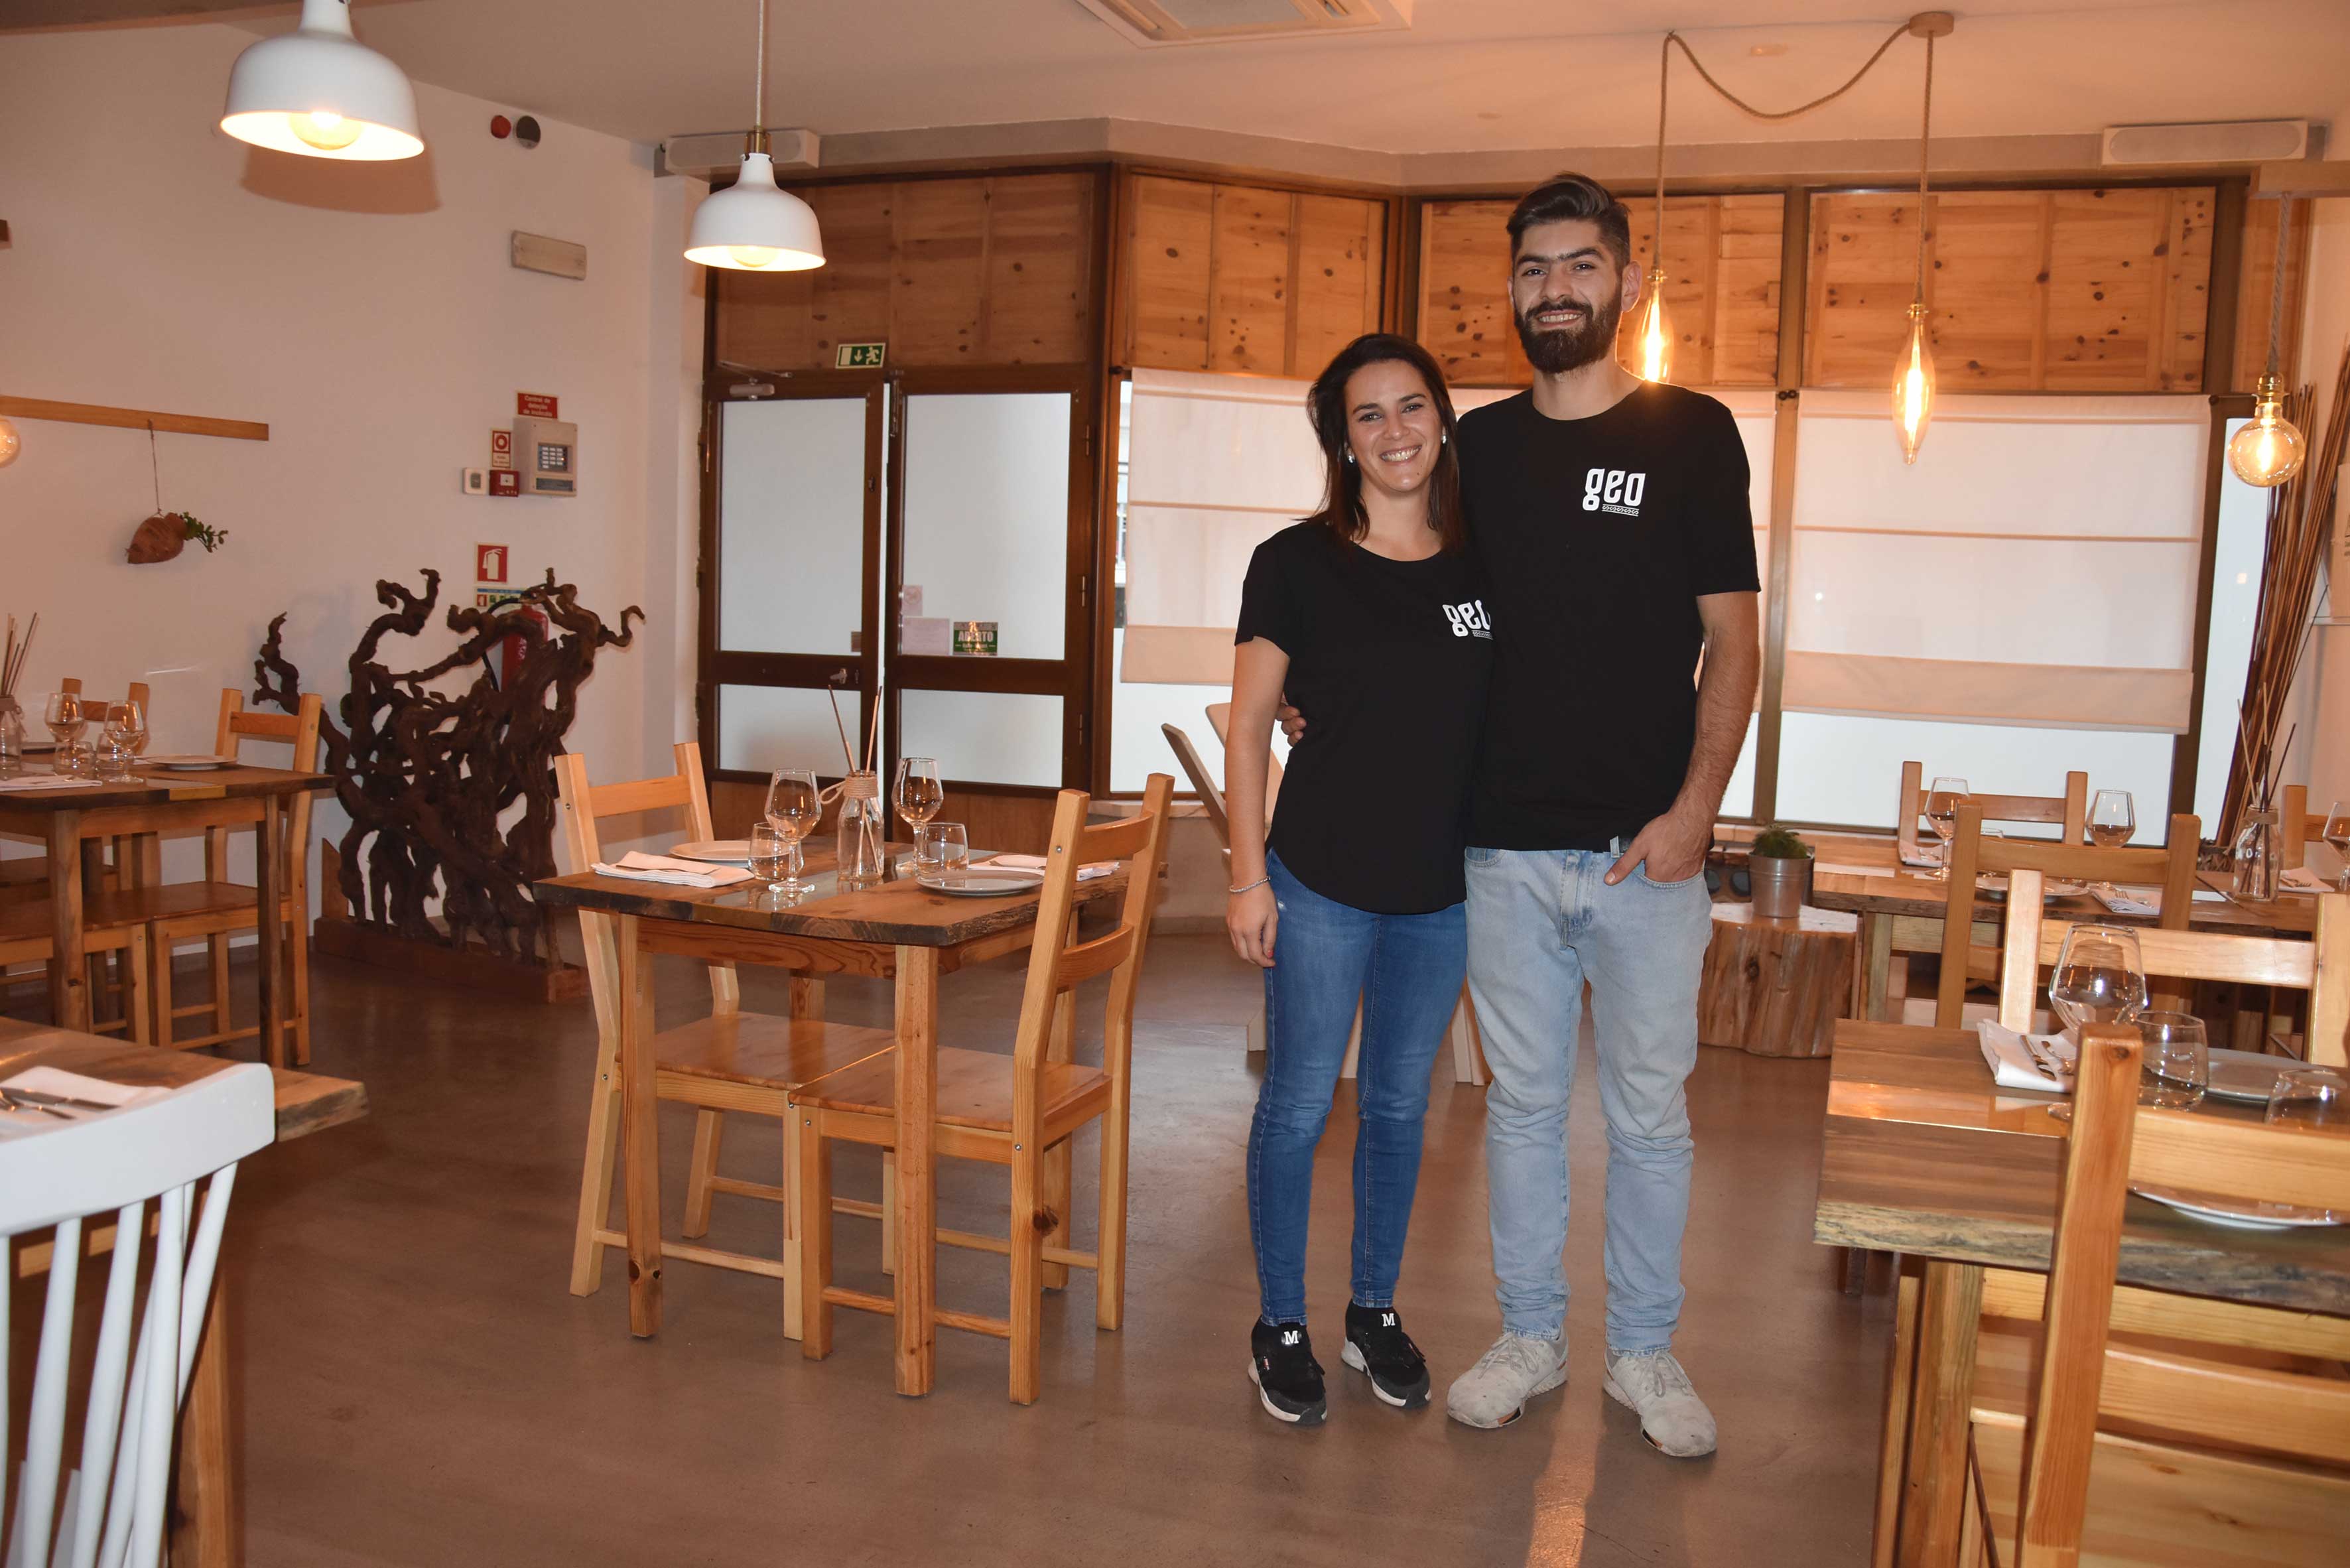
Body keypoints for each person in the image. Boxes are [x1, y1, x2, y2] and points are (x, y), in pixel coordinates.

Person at [1283, 176, 1760, 1455]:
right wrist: (1309, 692)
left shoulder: (1695, 433)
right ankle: (1535, 1333)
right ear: (1512, 291)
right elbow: (1385, 578)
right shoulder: (1475, 450)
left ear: (1627, 282)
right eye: (1536, 269)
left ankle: (1647, 1355)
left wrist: (1696, 809)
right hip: (1495, 849)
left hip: (1648, 854)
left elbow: (1735, 643)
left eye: (1583, 266)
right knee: (1525, 1111)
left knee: (1652, 1115)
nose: (1558, 289)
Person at [1224, 334, 1494, 1427]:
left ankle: (1372, 1310)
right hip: (1321, 880)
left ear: (1442, 420)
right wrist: (1249, 881)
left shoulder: (1485, 567)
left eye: (1413, 408)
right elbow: (1249, 727)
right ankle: (1280, 1324)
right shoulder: (1295, 562)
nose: (1395, 432)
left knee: (1397, 1108)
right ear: (1343, 438)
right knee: (1297, 1106)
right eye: (1369, 415)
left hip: (1442, 892)